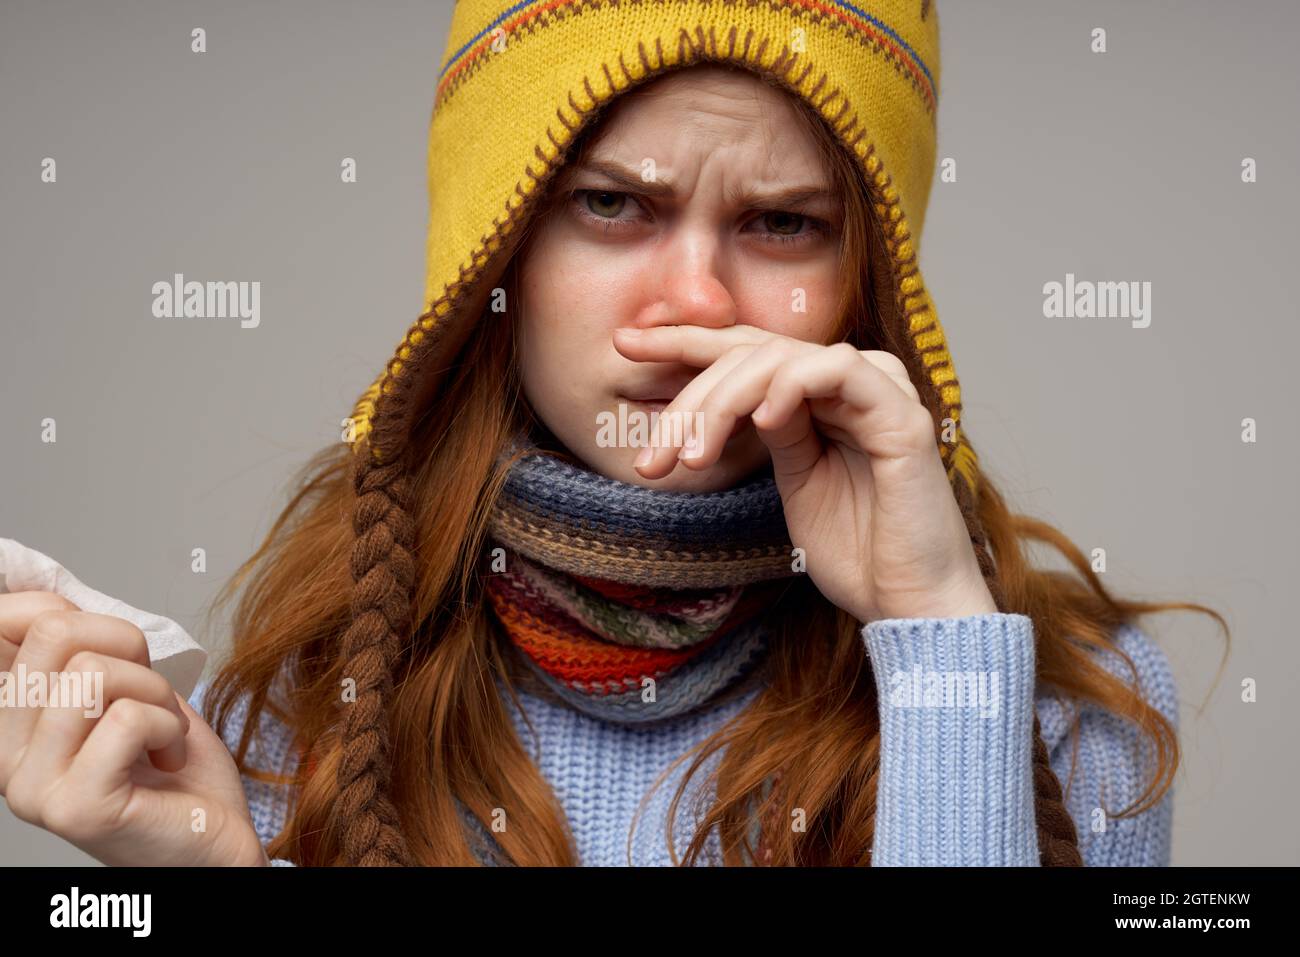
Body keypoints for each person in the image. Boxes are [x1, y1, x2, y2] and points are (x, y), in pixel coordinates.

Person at [0, 0, 1226, 867]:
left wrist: (937, 640)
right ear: (496, 256)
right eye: (610, 205)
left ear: (875, 285)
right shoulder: (315, 693)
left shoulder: (1067, 708)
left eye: (782, 224)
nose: (692, 301)